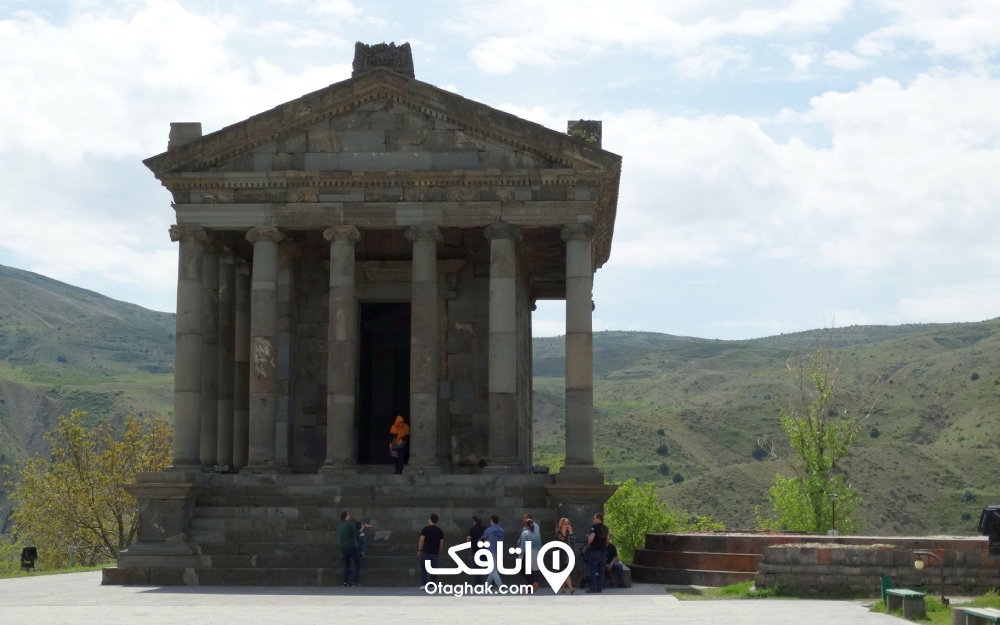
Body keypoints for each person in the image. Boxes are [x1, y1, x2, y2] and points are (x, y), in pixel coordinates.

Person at [418, 513, 444, 587]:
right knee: (433, 569)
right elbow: (441, 543)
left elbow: (421, 540)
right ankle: (432, 585)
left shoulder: (425, 529)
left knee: (424, 568)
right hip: (435, 553)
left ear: (430, 520)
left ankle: (424, 584)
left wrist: (419, 550)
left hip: (426, 552)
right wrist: (439, 552)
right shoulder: (440, 531)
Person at [585, 512, 609, 593]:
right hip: (603, 550)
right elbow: (607, 540)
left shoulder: (595, 527)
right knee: (601, 570)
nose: (593, 520)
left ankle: (593, 588)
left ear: (598, 518)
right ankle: (599, 588)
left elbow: (591, 538)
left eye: (594, 518)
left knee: (592, 569)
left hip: (595, 550)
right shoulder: (606, 528)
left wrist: (588, 543)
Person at [338, 511, 361, 587]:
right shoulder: (350, 524)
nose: (350, 515)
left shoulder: (340, 526)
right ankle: (354, 582)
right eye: (348, 514)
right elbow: (356, 534)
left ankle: (345, 582)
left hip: (343, 547)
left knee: (346, 565)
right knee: (357, 563)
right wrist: (362, 528)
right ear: (346, 516)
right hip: (351, 546)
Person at [517, 518, 541, 592]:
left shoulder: (525, 533)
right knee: (531, 570)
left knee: (524, 571)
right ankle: (530, 586)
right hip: (535, 553)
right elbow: (540, 543)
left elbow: (523, 545)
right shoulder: (537, 533)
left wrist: (520, 555)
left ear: (525, 525)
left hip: (527, 553)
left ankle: (531, 584)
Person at [482, 515, 505, 588]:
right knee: (493, 569)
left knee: (493, 570)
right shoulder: (502, 530)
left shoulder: (489, 530)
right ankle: (486, 585)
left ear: (491, 521)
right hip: (499, 551)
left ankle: (500, 586)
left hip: (491, 550)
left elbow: (482, 538)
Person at [554, 517, 575, 594]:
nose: (566, 525)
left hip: (567, 553)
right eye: (565, 524)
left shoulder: (569, 533)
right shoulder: (558, 533)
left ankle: (562, 588)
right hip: (559, 553)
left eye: (568, 523)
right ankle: (571, 588)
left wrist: (571, 532)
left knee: (564, 571)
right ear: (561, 524)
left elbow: (572, 543)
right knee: (564, 571)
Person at [466, 515, 487, 585]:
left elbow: (468, 539)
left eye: (473, 521)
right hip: (484, 549)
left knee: (477, 567)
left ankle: (478, 583)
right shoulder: (484, 528)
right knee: (488, 566)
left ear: (475, 521)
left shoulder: (472, 529)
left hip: (476, 550)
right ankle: (490, 582)